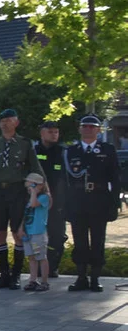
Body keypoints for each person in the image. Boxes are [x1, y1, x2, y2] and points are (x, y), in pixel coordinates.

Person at [0, 108, 42, 289]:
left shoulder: (25, 144)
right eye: (2, 120)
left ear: (16, 123)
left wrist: (40, 192)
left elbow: (36, 170)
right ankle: (4, 274)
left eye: (9, 120)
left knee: (18, 234)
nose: (5, 123)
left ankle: (16, 275)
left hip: (18, 192)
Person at [65, 114, 120, 292]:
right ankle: (81, 278)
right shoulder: (70, 151)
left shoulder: (108, 149)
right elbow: (65, 181)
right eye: (85, 126)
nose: (88, 129)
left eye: (92, 126)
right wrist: (65, 205)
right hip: (78, 201)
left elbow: (115, 178)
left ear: (98, 130)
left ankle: (95, 278)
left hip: (99, 201)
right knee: (80, 242)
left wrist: (114, 203)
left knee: (98, 241)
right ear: (80, 129)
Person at [34, 121, 68, 276]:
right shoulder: (34, 152)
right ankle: (39, 267)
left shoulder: (63, 152)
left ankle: (53, 267)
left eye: (56, 132)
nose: (54, 134)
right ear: (42, 133)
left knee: (57, 236)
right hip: (38, 201)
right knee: (38, 235)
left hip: (58, 202)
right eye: (50, 132)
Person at [20, 172, 51, 291]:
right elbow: (26, 214)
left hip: (38, 233)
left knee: (40, 257)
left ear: (39, 186)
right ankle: (33, 280)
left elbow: (33, 205)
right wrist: (21, 228)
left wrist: (33, 191)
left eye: (31, 185)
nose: (28, 188)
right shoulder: (29, 198)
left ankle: (44, 281)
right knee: (31, 257)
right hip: (28, 233)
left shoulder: (44, 197)